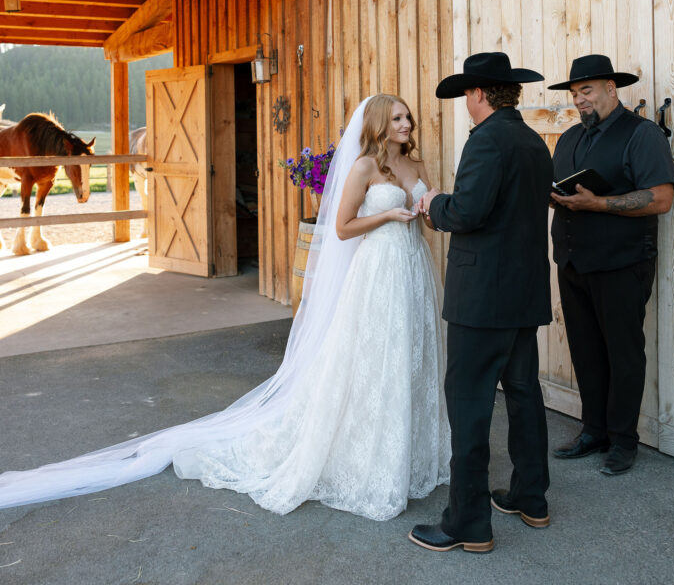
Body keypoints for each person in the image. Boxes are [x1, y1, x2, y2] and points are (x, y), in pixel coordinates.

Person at [0, 95, 449, 520]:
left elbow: (425, 216)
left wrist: (427, 211)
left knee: (409, 360)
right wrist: (388, 215)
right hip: (375, 274)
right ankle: (366, 456)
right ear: (377, 125)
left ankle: (405, 455)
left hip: (411, 268)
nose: (406, 124)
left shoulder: (414, 163)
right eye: (397, 118)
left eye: (407, 117)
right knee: (373, 364)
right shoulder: (365, 166)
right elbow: (344, 227)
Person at [408, 52, 554, 555]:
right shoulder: (533, 141)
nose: (465, 103)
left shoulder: (487, 141)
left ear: (478, 94)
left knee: (468, 405)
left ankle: (467, 522)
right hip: (524, 293)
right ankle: (530, 497)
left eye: (467, 95)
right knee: (523, 394)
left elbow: (467, 212)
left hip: (482, 300)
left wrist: (434, 205)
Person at [548, 55, 674, 476]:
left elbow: (660, 198)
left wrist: (597, 203)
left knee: (623, 354)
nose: (580, 100)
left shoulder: (643, 134)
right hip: (573, 262)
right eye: (574, 94)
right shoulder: (568, 138)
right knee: (585, 351)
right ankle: (594, 430)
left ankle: (623, 440)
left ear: (611, 89)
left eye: (587, 91)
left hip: (622, 263)